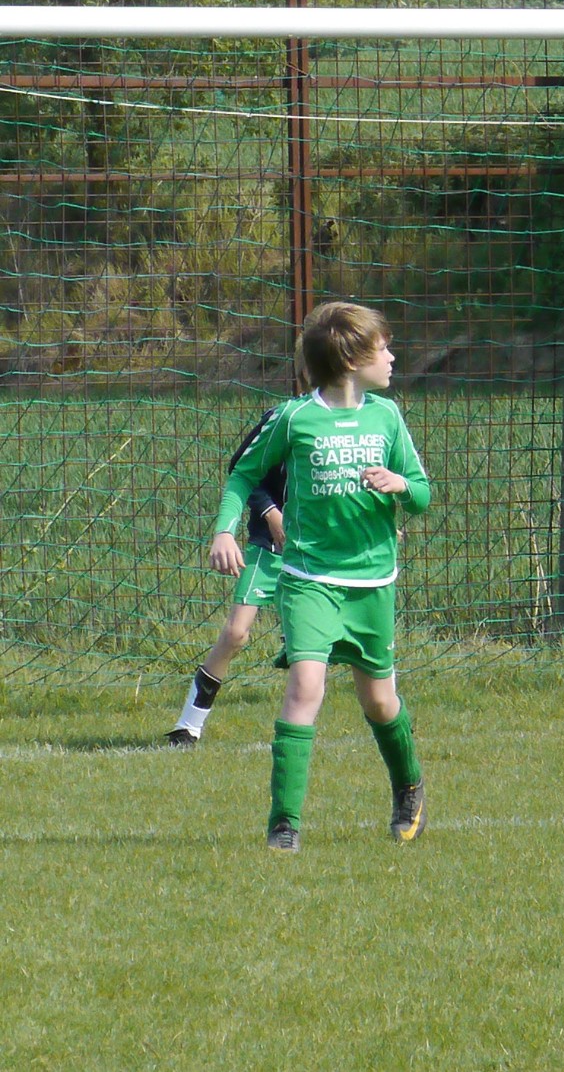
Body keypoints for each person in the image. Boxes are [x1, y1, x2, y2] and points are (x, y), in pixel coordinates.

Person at [207, 302, 431, 852]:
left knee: (379, 703)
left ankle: (408, 787)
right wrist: (224, 531)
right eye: (383, 348)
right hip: (308, 578)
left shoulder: (388, 417)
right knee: (305, 686)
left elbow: (423, 495)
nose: (392, 357)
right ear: (351, 359)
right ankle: (284, 824)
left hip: (372, 583)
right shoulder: (295, 418)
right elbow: (243, 474)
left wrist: (401, 485)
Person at [167, 412, 289, 747]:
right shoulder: (283, 419)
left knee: (340, 642)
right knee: (235, 633)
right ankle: (188, 726)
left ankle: (390, 718)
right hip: (271, 548)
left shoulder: (358, 421)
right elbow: (242, 469)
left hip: (322, 553)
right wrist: (270, 512)